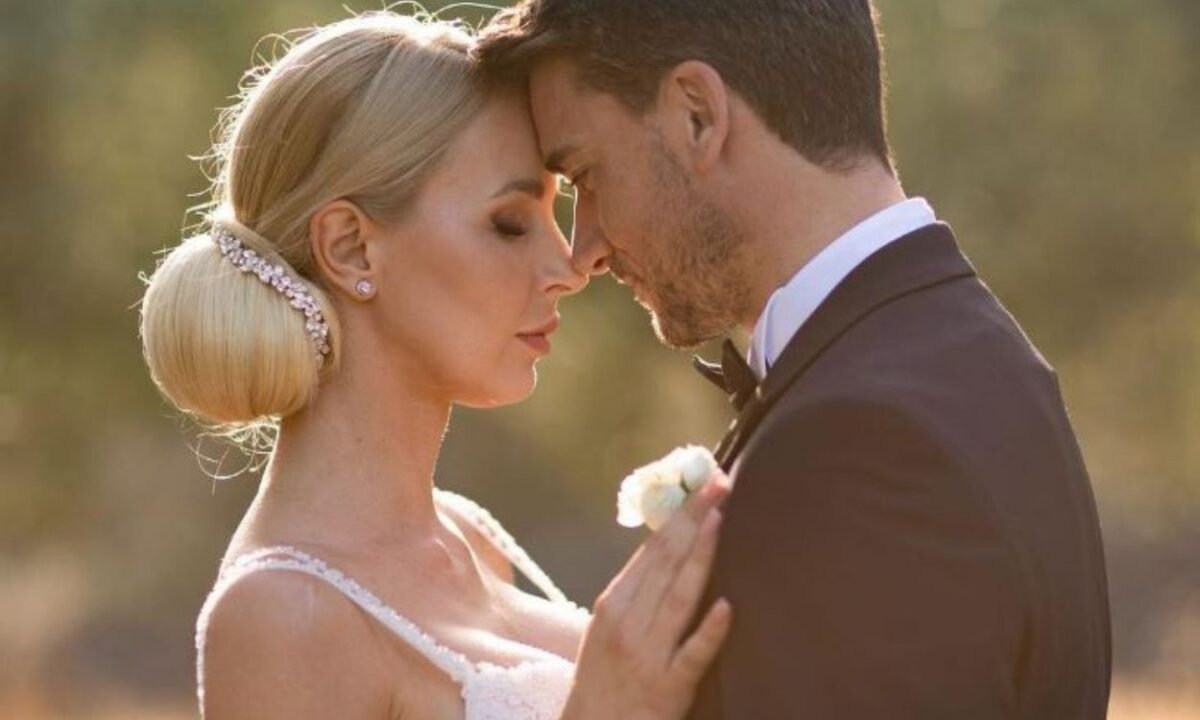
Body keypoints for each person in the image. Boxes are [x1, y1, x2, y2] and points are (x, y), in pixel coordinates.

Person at [475, 0, 1112, 717]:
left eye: (588, 176)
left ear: (697, 115)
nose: (585, 249)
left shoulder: (863, 444)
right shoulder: (969, 358)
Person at [138, 12, 731, 719]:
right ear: (352, 248)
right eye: (509, 224)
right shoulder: (280, 614)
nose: (568, 267)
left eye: (555, 215)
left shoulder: (468, 534)